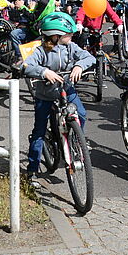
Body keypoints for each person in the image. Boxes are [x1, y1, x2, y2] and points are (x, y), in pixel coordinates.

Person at [22, 12, 94, 178]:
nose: (71, 36)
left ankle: (76, 141)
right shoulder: (40, 50)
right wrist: (44, 71)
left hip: (66, 89)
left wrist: (79, 66)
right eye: (67, 34)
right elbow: (27, 65)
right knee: (39, 130)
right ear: (54, 36)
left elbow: (88, 57)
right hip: (45, 94)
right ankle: (32, 169)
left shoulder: (71, 47)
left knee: (81, 113)